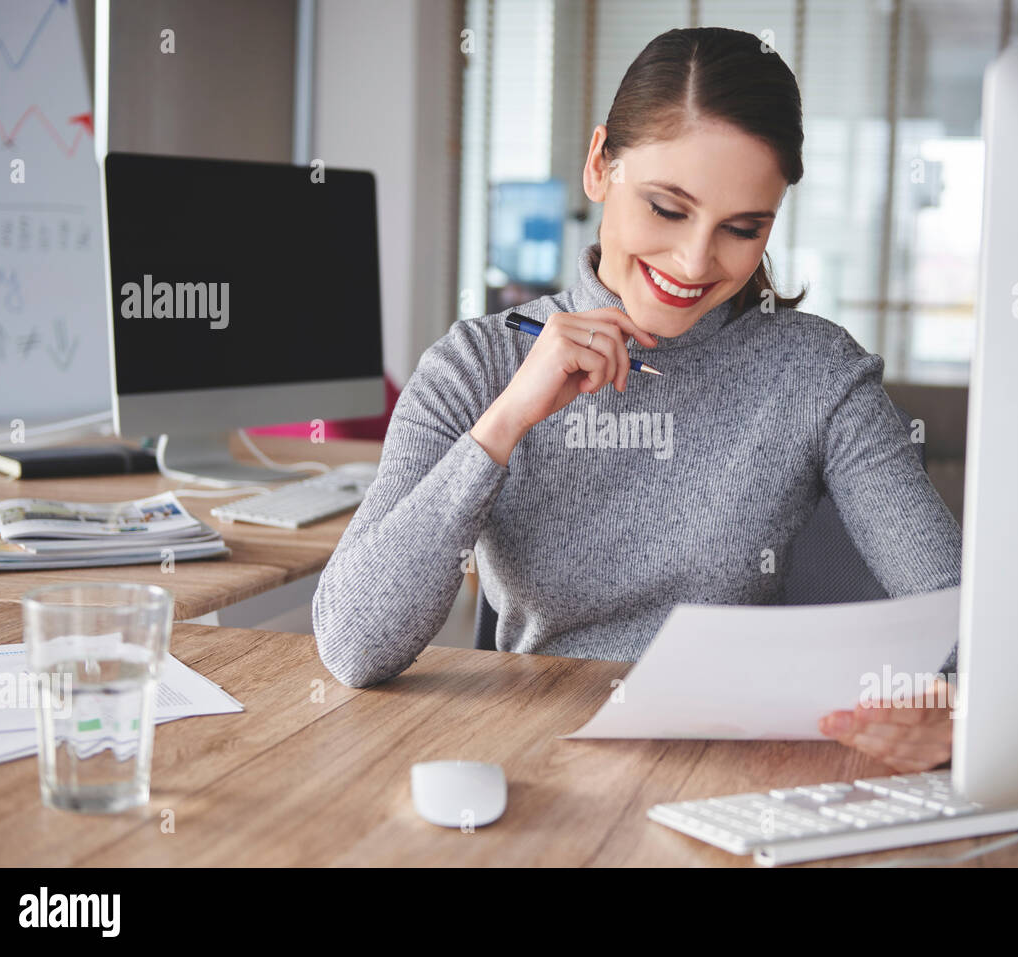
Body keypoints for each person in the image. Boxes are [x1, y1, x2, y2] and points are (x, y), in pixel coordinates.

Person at [314, 27, 960, 773]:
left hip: (728, 767)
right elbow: (354, 646)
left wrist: (955, 711)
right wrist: (506, 422)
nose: (694, 261)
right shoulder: (475, 365)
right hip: (535, 767)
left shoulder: (816, 372)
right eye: (667, 208)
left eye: (741, 228)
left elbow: (958, 619)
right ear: (600, 165)